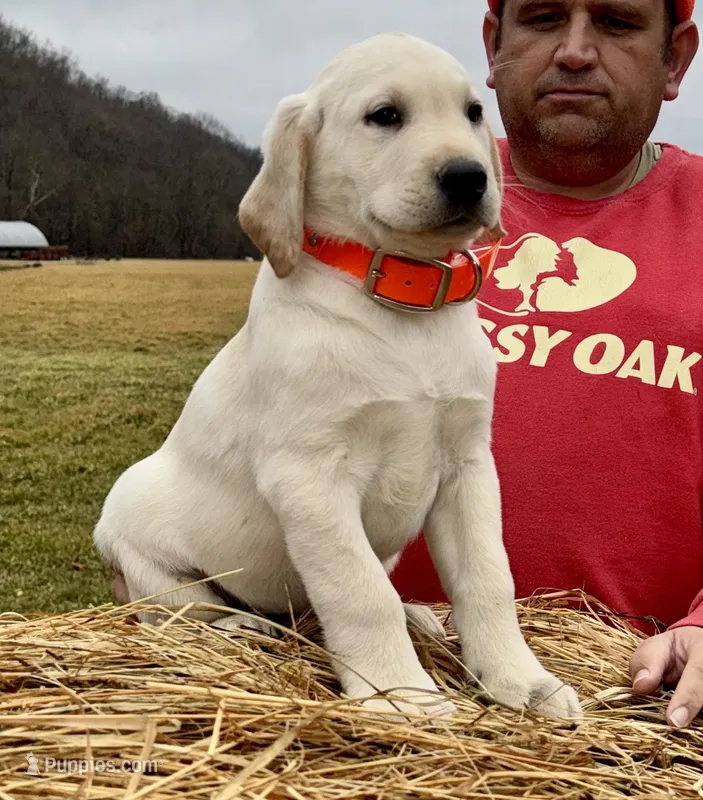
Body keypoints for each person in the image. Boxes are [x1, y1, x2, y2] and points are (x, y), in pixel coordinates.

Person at [390, 0, 703, 728]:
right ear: (494, 45)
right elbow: (266, 425)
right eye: (542, 18)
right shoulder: (377, 203)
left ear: (674, 59)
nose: (573, 51)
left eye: (617, 24)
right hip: (383, 688)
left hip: (629, 712)